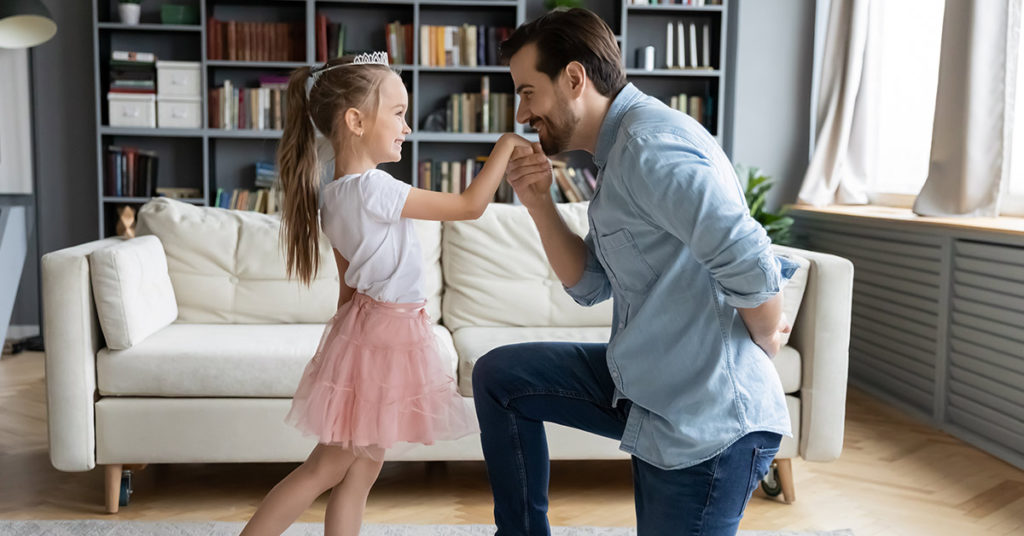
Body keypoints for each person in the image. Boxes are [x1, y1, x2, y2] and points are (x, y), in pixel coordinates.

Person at [471, 9, 798, 535]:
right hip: (649, 387)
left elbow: (747, 254)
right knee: (501, 377)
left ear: (574, 78)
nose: (522, 112)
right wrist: (538, 202)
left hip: (705, 424)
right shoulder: (620, 153)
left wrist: (765, 336)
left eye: (528, 91)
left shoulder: (649, 147)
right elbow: (590, 285)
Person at [240, 52, 532, 536]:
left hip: (372, 333)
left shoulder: (333, 195)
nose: (407, 127)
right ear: (355, 120)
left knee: (360, 470)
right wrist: (504, 145)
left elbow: (349, 287)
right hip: (384, 336)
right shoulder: (374, 188)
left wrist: (342, 354)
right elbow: (468, 205)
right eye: (398, 113)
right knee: (327, 469)